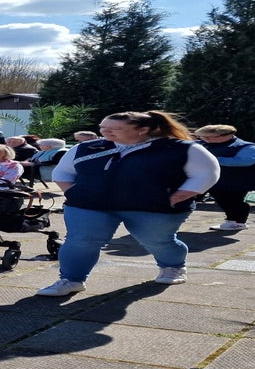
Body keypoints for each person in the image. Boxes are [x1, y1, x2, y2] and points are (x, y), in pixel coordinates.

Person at [36, 111, 220, 296]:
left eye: (115, 129)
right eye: (102, 127)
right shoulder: (86, 148)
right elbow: (62, 173)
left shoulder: (181, 148)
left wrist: (180, 195)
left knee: (156, 240)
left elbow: (207, 173)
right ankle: (71, 279)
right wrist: (75, 192)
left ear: (143, 130)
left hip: (154, 208)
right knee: (81, 240)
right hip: (90, 205)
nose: (105, 132)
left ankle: (173, 266)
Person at [194, 125, 255, 231]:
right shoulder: (202, 144)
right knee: (222, 200)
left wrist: (211, 159)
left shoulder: (248, 147)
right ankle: (233, 221)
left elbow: (245, 161)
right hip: (217, 180)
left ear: (227, 135)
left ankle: (238, 222)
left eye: (208, 137)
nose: (204, 139)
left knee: (233, 201)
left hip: (240, 180)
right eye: (201, 137)